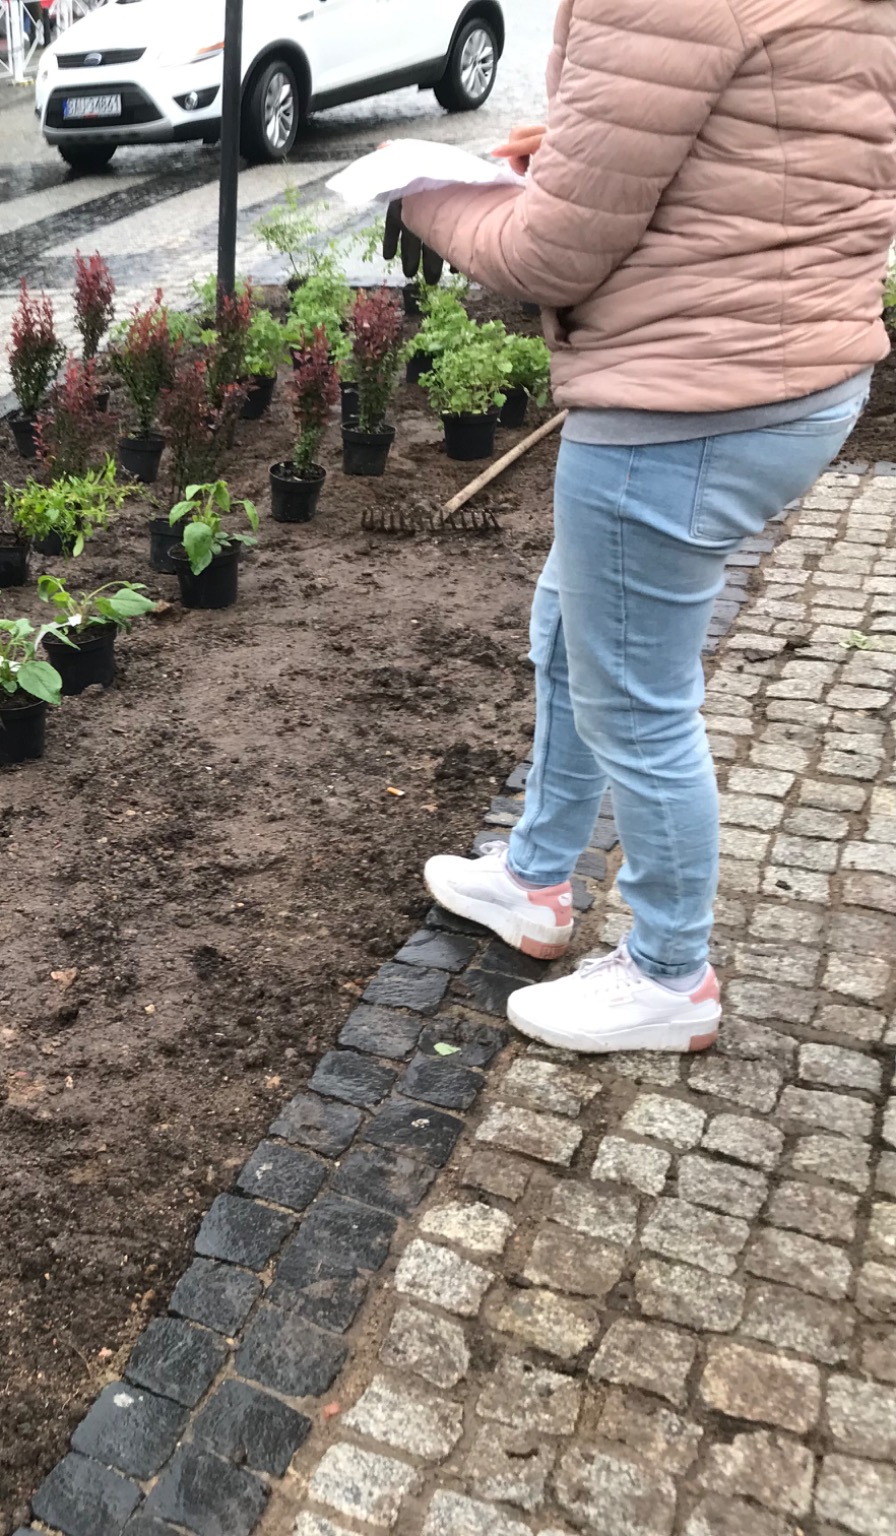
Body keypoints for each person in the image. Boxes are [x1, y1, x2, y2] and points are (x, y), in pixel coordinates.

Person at [389, 0, 896, 1053]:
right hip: (795, 370)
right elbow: (788, 142)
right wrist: (584, 152)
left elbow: (551, 256)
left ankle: (669, 973)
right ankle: (534, 876)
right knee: (571, 631)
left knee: (635, 704)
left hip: (685, 404)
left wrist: (418, 191)